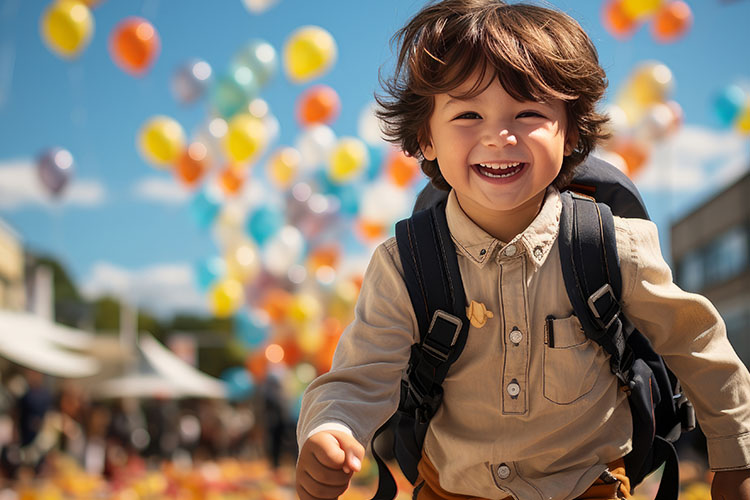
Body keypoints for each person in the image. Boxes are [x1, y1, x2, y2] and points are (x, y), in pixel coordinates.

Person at [295, 1, 750, 499]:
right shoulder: (407, 266)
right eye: (468, 113)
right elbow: (361, 374)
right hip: (451, 491)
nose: (499, 135)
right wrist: (332, 429)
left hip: (589, 488)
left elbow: (697, 344)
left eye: (529, 112)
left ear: (571, 131)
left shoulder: (610, 246)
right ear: (426, 137)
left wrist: (737, 451)